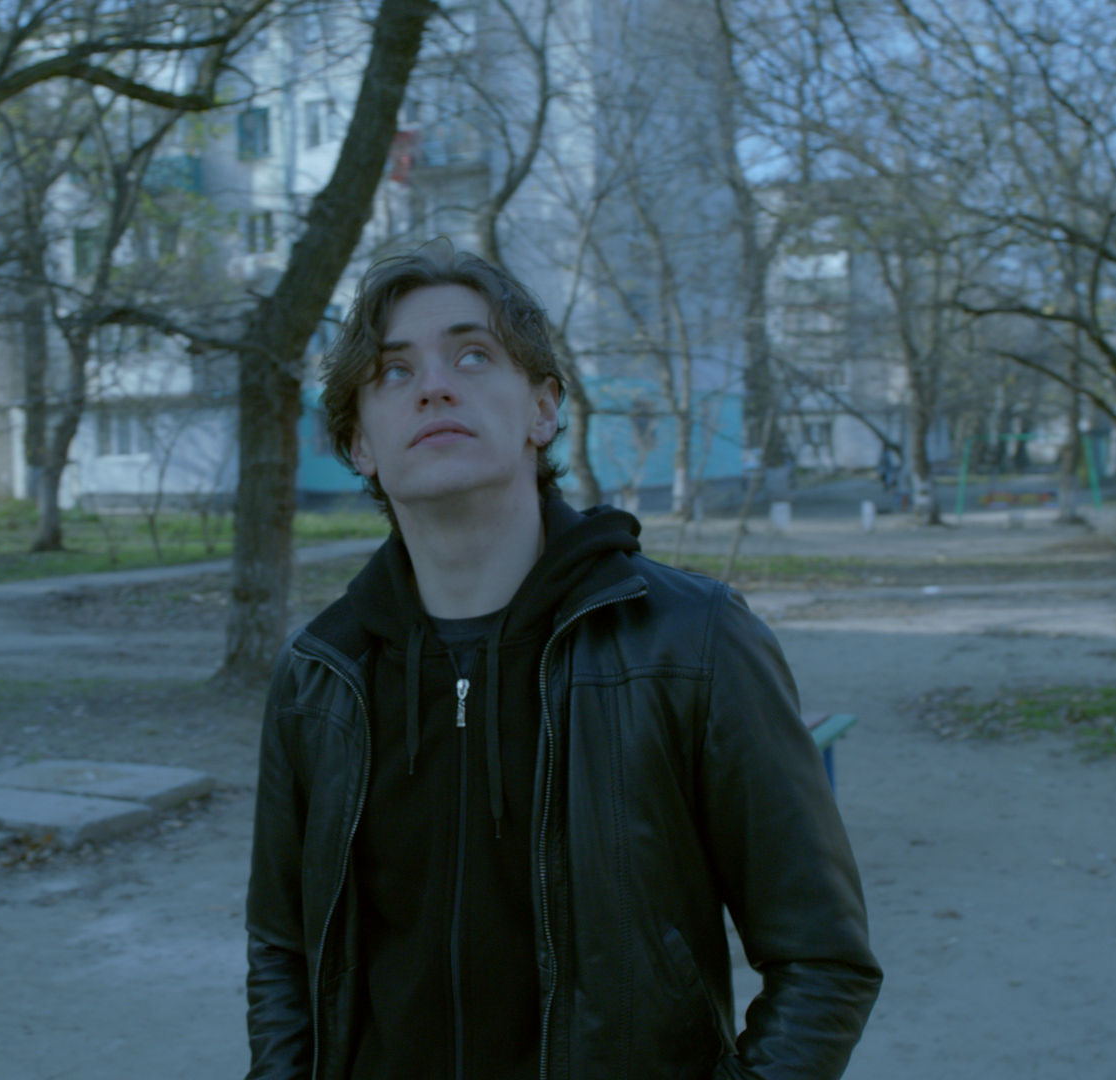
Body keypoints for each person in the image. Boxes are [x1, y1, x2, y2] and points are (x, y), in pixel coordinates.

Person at [245, 245, 881, 1080]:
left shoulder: (693, 643)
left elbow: (823, 961)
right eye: (394, 371)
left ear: (542, 409)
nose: (433, 386)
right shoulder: (320, 675)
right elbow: (282, 951)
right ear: (360, 442)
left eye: (473, 355)